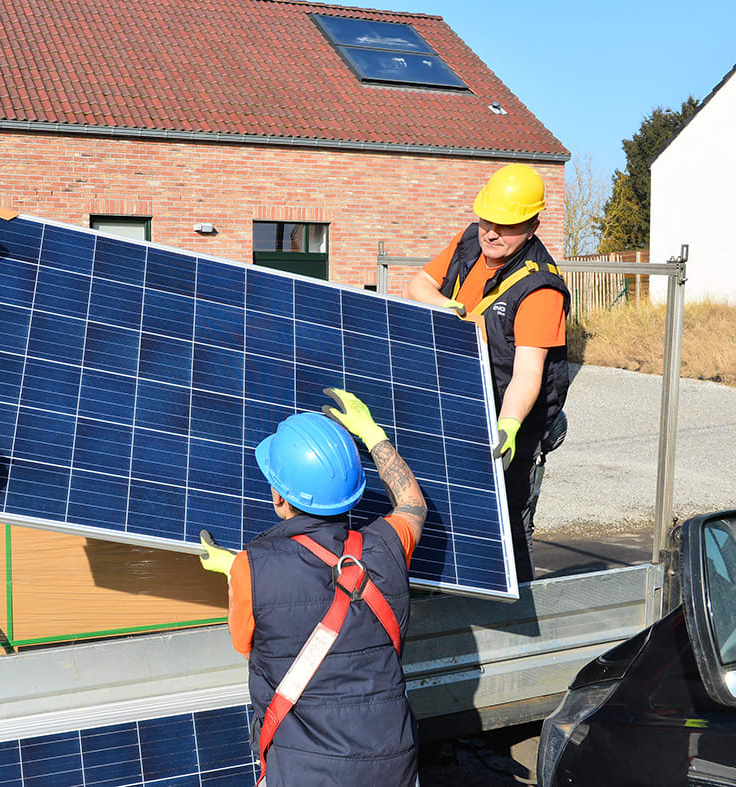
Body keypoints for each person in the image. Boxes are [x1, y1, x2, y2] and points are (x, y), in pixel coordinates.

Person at [200, 388, 426, 786]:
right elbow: (412, 504)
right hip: (394, 760)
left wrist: (238, 571)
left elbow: (245, 644)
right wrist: (372, 434)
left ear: (278, 494)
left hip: (310, 771)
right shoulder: (389, 544)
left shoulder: (251, 567)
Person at [403, 163, 570, 583]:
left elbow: (527, 372)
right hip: (459, 398)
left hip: (508, 414)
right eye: (487, 219)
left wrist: (508, 426)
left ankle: (515, 610)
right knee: (445, 503)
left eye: (507, 226)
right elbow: (417, 285)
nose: (492, 232)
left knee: (504, 523)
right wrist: (448, 308)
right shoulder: (467, 242)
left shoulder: (540, 289)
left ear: (532, 227)